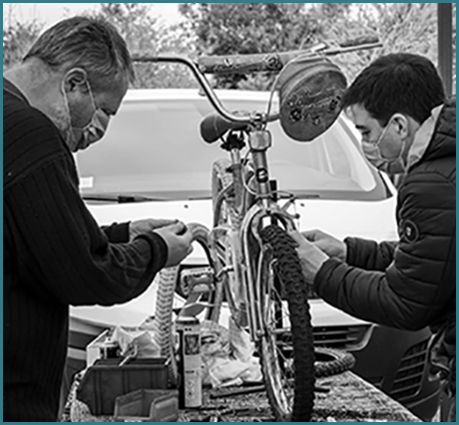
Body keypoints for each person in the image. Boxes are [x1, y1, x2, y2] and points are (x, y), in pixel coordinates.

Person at [3, 17, 194, 421]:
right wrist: (159, 250)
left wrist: (125, 233)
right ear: (74, 83)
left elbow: (32, 242)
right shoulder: (30, 133)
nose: (101, 129)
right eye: (105, 109)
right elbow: (82, 272)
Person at [290, 53, 455, 420]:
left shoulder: (429, 183)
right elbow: (436, 256)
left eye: (365, 132)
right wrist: (349, 252)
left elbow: (406, 303)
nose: (365, 144)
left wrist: (320, 272)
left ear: (398, 125)